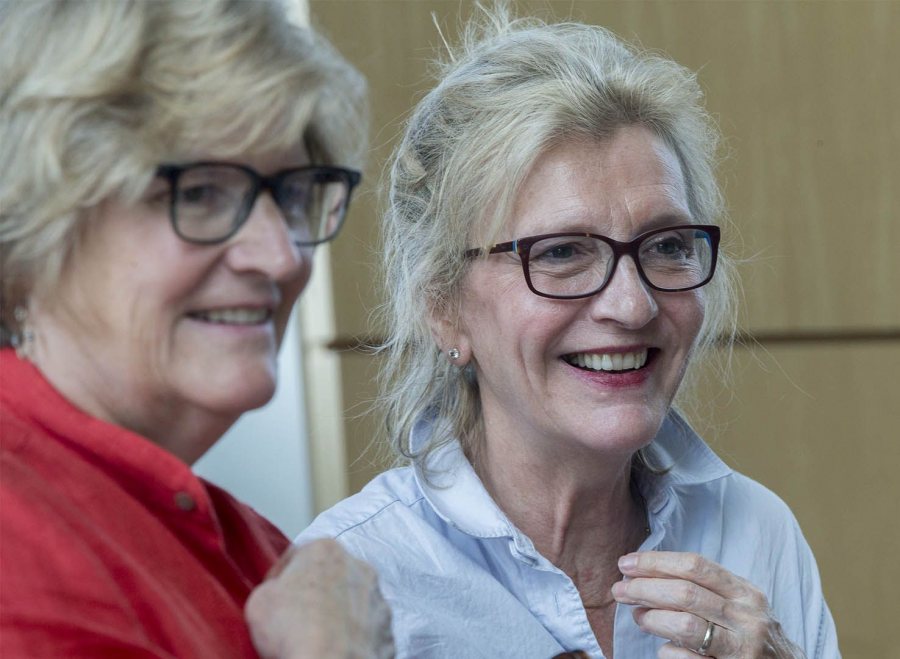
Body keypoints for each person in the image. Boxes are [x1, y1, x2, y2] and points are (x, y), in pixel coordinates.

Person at [277, 10, 838, 659]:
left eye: (666, 244)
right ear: (442, 305)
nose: (632, 303)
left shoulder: (755, 532)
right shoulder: (357, 588)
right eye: (562, 252)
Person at [0, 1, 392, 657]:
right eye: (202, 192)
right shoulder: (20, 546)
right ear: (38, 222)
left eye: (292, 194)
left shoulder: (248, 544)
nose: (281, 254)